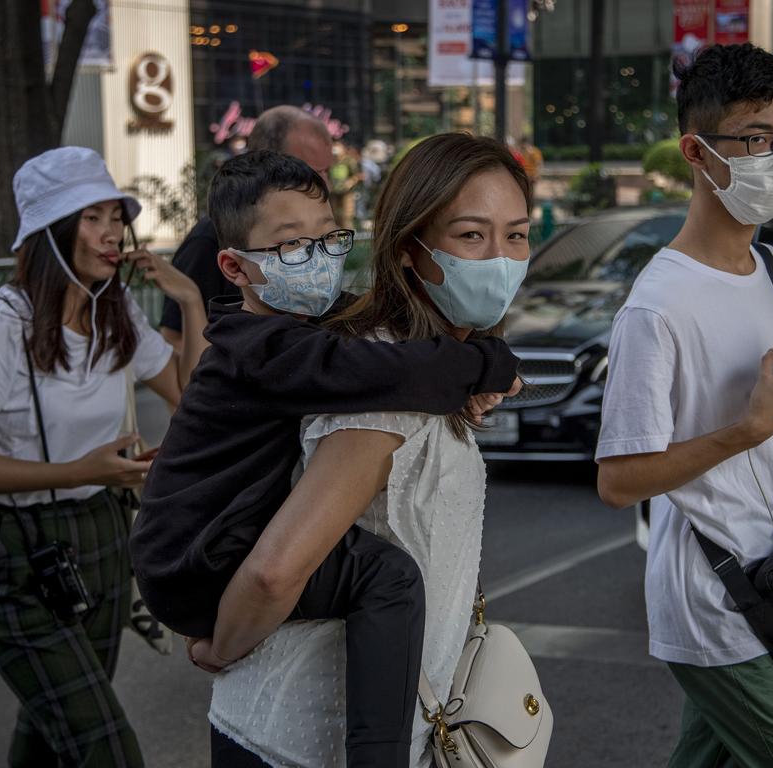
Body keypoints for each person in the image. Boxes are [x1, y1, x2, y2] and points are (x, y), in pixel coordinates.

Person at [131, 147, 522, 767]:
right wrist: (490, 365)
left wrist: (474, 375)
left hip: (211, 544)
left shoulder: (314, 331)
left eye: (328, 239)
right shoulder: (265, 347)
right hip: (197, 559)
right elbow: (382, 370)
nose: (315, 260)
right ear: (233, 267)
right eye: (290, 248)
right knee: (388, 578)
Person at [594, 44, 773, 767]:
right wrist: (749, 430)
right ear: (697, 152)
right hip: (718, 603)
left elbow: (764, 424)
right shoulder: (657, 307)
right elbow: (618, 482)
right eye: (757, 141)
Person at [0, 146, 208, 767]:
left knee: (54, 734)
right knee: (104, 747)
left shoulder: (116, 311)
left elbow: (193, 401)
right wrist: (83, 469)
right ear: (50, 232)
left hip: (99, 533)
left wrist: (189, 302)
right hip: (13, 548)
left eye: (114, 217)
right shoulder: (0, 324)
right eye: (91, 218)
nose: (110, 234)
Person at [159, 105, 335, 349]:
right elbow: (175, 337)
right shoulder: (206, 242)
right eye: (311, 172)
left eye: (328, 172)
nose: (325, 185)